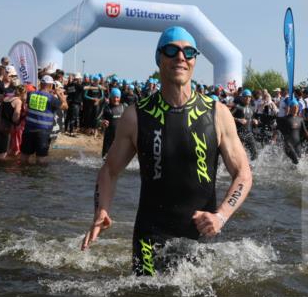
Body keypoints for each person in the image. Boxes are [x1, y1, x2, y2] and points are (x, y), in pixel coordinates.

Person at [81, 27, 253, 276]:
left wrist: (221, 217)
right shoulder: (135, 116)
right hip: (149, 237)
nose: (180, 57)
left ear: (194, 60)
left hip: (201, 234)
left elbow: (244, 174)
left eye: (189, 52)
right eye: (172, 50)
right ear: (159, 58)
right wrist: (102, 210)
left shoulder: (218, 114)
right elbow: (109, 170)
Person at [20, 75, 65, 165]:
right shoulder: (52, 99)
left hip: (28, 130)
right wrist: (60, 94)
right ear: (51, 85)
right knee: (41, 159)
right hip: (42, 132)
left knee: (24, 157)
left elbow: (23, 99)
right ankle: (39, 178)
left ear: (41, 84)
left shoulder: (31, 94)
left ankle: (23, 176)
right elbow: (65, 106)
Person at [276, 99, 308, 165]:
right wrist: (274, 138)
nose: (296, 108)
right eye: (294, 107)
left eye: (297, 107)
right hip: (288, 144)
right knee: (296, 162)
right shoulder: (284, 119)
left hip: (297, 144)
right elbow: (277, 129)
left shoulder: (300, 119)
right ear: (290, 108)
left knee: (298, 162)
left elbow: (305, 131)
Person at [233, 89, 259, 161]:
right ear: (242, 97)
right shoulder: (237, 107)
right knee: (239, 154)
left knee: (255, 152)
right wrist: (239, 119)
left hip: (248, 133)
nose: (248, 98)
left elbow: (253, 117)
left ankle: (252, 167)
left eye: (249, 97)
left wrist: (255, 120)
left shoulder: (252, 107)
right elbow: (228, 117)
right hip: (239, 134)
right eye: (246, 97)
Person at [100, 88, 125, 158]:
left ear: (120, 98)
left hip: (120, 138)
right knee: (105, 159)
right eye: (114, 97)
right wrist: (102, 122)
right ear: (111, 97)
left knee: (120, 159)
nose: (115, 99)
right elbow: (98, 119)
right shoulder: (106, 108)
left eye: (117, 97)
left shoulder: (123, 107)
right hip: (109, 138)